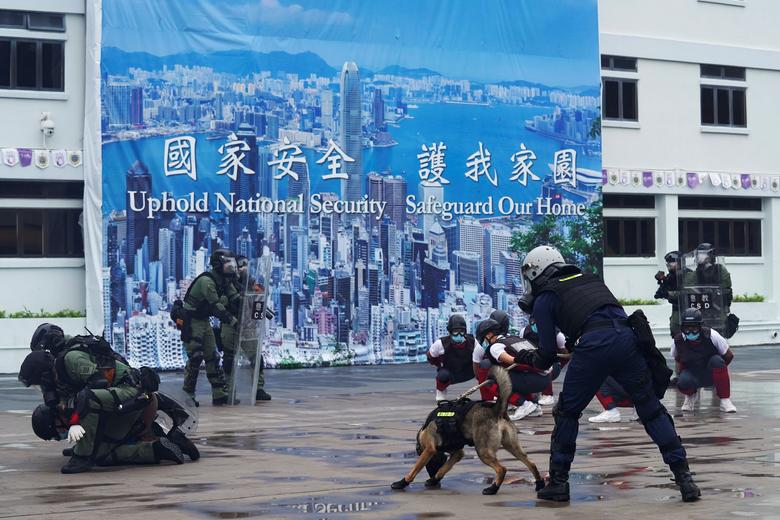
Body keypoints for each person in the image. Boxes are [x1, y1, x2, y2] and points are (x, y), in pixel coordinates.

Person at [513, 245, 700, 503]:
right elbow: (604, 315)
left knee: (567, 412)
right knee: (651, 409)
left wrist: (522, 356)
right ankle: (685, 480)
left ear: (536, 271)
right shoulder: (591, 279)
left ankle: (558, 483)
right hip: (627, 340)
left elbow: (545, 355)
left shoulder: (546, 297)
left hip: (593, 347)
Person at [44, 336, 183, 473]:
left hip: (133, 399)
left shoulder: (72, 359)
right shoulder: (76, 356)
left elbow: (96, 388)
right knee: (99, 444)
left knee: (101, 454)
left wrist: (83, 450)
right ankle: (173, 440)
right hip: (133, 399)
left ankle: (156, 450)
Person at [181, 249, 239, 406]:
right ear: (218, 264)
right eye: (227, 263)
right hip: (192, 321)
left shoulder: (224, 280)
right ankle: (188, 395)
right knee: (196, 357)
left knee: (212, 356)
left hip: (204, 321)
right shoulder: (207, 281)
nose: (231, 266)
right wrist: (233, 321)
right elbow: (216, 306)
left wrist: (248, 304)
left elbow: (234, 298)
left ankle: (219, 393)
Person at [475, 319, 560, 421]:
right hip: (546, 378)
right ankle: (534, 407)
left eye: (483, 339)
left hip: (534, 379)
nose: (484, 343)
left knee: (493, 381)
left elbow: (512, 360)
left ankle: (524, 404)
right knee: (510, 374)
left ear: (489, 335)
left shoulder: (495, 347)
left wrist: (517, 359)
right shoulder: (515, 338)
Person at [221, 255, 272, 402]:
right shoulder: (227, 284)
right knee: (229, 359)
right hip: (231, 325)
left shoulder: (251, 283)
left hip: (248, 327)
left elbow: (261, 295)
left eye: (245, 266)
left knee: (257, 359)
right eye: (240, 266)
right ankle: (229, 390)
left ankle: (259, 388)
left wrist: (257, 294)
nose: (243, 269)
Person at [672, 308, 736, 413]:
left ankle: (725, 401)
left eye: (694, 328)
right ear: (682, 328)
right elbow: (678, 359)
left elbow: (728, 355)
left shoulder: (712, 335)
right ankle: (690, 396)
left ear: (700, 327)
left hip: (710, 371)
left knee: (717, 361)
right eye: (687, 328)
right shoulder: (678, 340)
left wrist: (719, 372)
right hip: (692, 372)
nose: (691, 331)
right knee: (682, 381)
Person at [520, 316, 568, 406]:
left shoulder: (558, 335)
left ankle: (548, 395)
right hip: (532, 362)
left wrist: (558, 365)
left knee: (546, 365)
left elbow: (566, 355)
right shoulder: (524, 331)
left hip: (551, 365)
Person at [427, 314, 475, 401]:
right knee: (442, 375)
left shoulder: (473, 341)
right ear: (450, 331)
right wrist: (440, 366)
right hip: (451, 373)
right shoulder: (440, 344)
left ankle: (490, 395)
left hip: (469, 371)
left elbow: (481, 356)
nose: (459, 334)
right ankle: (441, 391)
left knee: (486, 367)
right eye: (456, 331)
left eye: (462, 331)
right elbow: (431, 357)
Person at [686, 243, 733, 314]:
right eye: (699, 254)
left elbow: (726, 288)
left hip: (718, 310)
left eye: (703, 254)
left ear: (710, 256)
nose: (699, 256)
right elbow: (690, 289)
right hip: (701, 310)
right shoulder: (695, 273)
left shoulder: (719, 270)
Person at [654, 251, 683, 337]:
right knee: (675, 330)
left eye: (672, 261)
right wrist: (661, 281)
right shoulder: (670, 276)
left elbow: (686, 292)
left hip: (687, 307)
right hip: (676, 308)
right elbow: (659, 294)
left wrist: (669, 294)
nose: (669, 264)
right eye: (668, 262)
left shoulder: (687, 274)